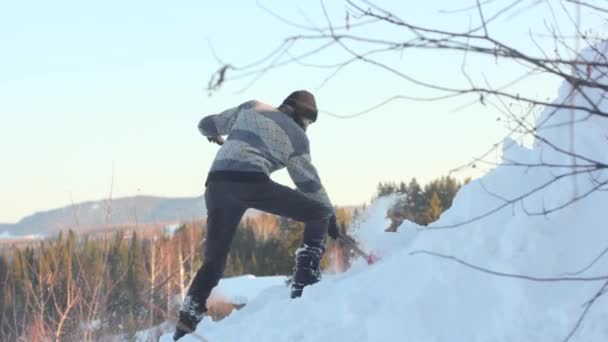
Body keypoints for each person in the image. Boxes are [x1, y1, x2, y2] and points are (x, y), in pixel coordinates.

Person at [174, 90, 340, 340]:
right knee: (317, 212)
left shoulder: (252, 107)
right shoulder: (297, 138)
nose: (306, 128)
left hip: (216, 184)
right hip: (251, 182)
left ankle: (185, 324)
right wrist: (330, 217)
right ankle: (304, 280)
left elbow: (206, 124)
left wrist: (214, 135)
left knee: (213, 262)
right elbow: (309, 184)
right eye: (307, 122)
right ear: (298, 115)